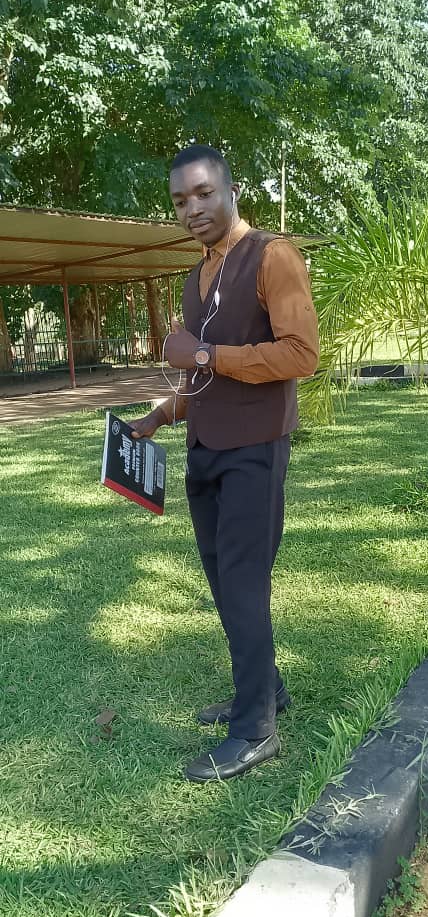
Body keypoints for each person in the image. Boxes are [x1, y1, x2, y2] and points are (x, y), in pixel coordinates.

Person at [130, 144, 319, 782]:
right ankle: (267, 690)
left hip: (254, 450)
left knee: (242, 581)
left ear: (231, 191)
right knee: (223, 580)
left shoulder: (272, 256)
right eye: (180, 200)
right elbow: (204, 380)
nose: (192, 208)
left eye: (204, 193)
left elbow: (300, 354)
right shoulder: (197, 277)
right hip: (204, 450)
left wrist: (204, 354)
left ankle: (255, 731)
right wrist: (162, 414)